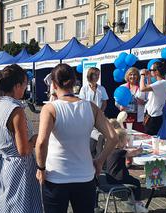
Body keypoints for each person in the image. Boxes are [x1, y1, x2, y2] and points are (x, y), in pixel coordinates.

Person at [35, 64, 118, 213]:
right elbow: (113, 137)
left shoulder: (50, 109)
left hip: (56, 177)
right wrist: (99, 161)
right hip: (85, 176)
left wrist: (40, 168)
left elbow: (41, 143)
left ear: (53, 84)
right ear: (74, 83)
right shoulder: (91, 107)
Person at [0, 64, 42, 213]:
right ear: (17, 86)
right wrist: (36, 138)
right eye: (25, 84)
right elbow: (23, 150)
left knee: (2, 204)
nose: (25, 87)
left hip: (1, 163)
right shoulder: (16, 111)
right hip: (19, 166)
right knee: (20, 205)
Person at [105, 122, 148, 213]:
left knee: (132, 181)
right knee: (136, 183)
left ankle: (130, 201)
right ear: (120, 141)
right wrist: (139, 150)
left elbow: (127, 152)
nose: (127, 141)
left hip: (109, 177)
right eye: (126, 140)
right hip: (118, 178)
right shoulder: (120, 152)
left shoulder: (110, 149)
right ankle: (135, 203)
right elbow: (132, 153)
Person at [140, 61, 166, 135]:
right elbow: (151, 87)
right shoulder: (161, 83)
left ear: (157, 72)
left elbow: (142, 88)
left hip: (153, 117)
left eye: (151, 70)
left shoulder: (161, 83)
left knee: (149, 138)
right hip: (152, 116)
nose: (150, 71)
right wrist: (149, 76)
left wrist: (142, 75)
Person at [116, 67, 146, 132]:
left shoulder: (143, 87)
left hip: (138, 117)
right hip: (125, 116)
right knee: (126, 135)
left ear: (138, 76)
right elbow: (116, 101)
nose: (132, 76)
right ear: (127, 76)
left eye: (135, 74)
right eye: (130, 74)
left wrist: (143, 102)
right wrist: (119, 106)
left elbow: (149, 100)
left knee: (138, 135)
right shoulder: (122, 87)